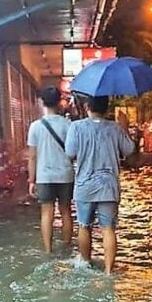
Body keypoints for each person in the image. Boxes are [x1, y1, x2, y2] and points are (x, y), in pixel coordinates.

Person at [65, 95, 135, 273]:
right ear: (107, 108)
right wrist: (125, 127)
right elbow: (129, 150)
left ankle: (85, 263)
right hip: (109, 186)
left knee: (84, 225)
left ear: (88, 106)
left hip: (85, 186)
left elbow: (70, 152)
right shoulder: (116, 128)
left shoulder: (76, 127)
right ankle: (109, 272)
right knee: (108, 229)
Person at [27, 87, 74, 253]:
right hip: (65, 175)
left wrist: (31, 180)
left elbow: (32, 156)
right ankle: (67, 247)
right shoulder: (68, 125)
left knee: (47, 213)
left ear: (42, 102)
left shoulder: (35, 127)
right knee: (66, 211)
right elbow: (73, 152)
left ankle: (48, 250)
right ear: (59, 102)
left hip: (44, 175)